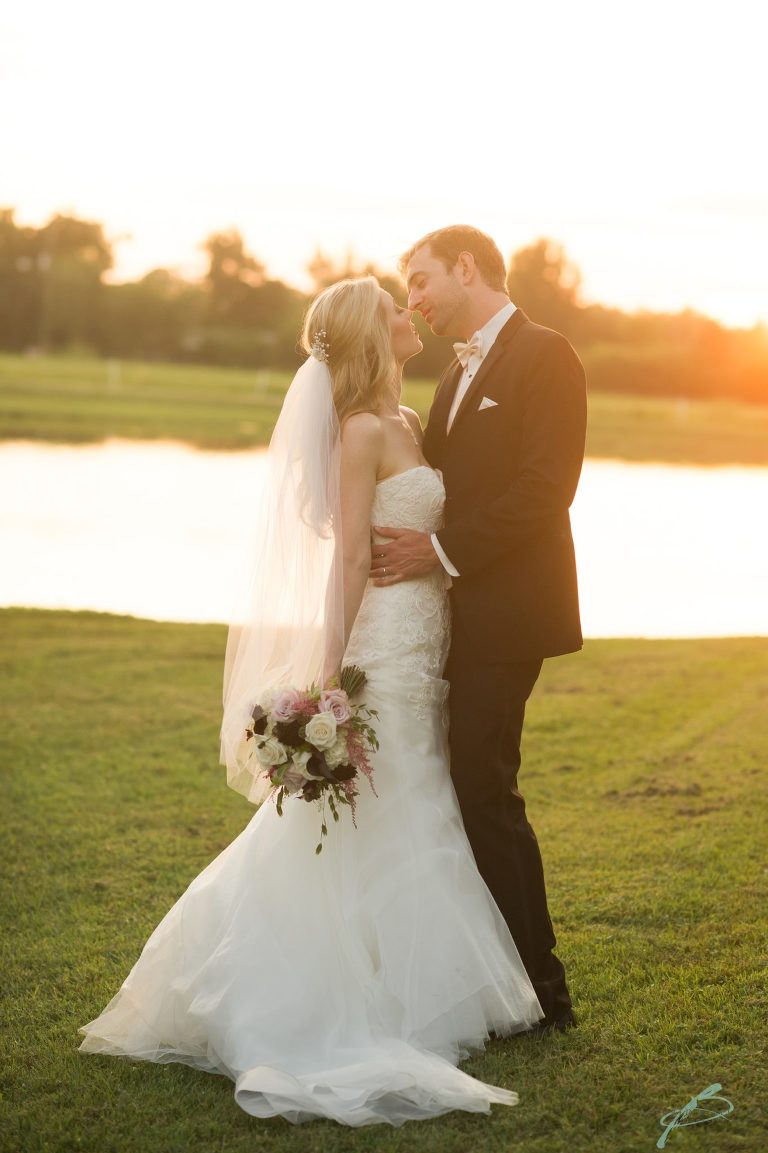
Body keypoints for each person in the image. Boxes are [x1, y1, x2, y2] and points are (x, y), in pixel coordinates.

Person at [78, 275, 544, 1127]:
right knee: (388, 805)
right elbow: (350, 562)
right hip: (383, 646)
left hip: (429, 637)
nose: (411, 316)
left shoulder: (408, 419)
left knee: (414, 798)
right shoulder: (361, 432)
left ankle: (406, 982)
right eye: (396, 311)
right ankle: (336, 996)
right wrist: (329, 678)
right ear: (373, 333)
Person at [371, 226, 587, 1031]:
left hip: (509, 614)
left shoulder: (546, 353)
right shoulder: (455, 373)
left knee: (485, 790)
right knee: (461, 789)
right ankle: (490, 979)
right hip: (448, 618)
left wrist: (437, 549)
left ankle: (544, 990)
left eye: (422, 280)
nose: (415, 300)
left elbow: (545, 490)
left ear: (468, 267)